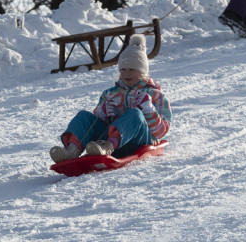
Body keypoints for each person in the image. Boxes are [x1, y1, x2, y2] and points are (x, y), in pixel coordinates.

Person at [49, 34, 172, 162]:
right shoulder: (110, 94)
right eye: (123, 69)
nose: (126, 73)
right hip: (107, 141)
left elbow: (161, 132)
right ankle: (72, 150)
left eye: (132, 69)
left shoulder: (155, 95)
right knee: (83, 116)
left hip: (138, 142)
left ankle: (108, 146)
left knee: (135, 114)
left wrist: (149, 110)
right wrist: (102, 113)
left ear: (142, 72)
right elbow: (95, 121)